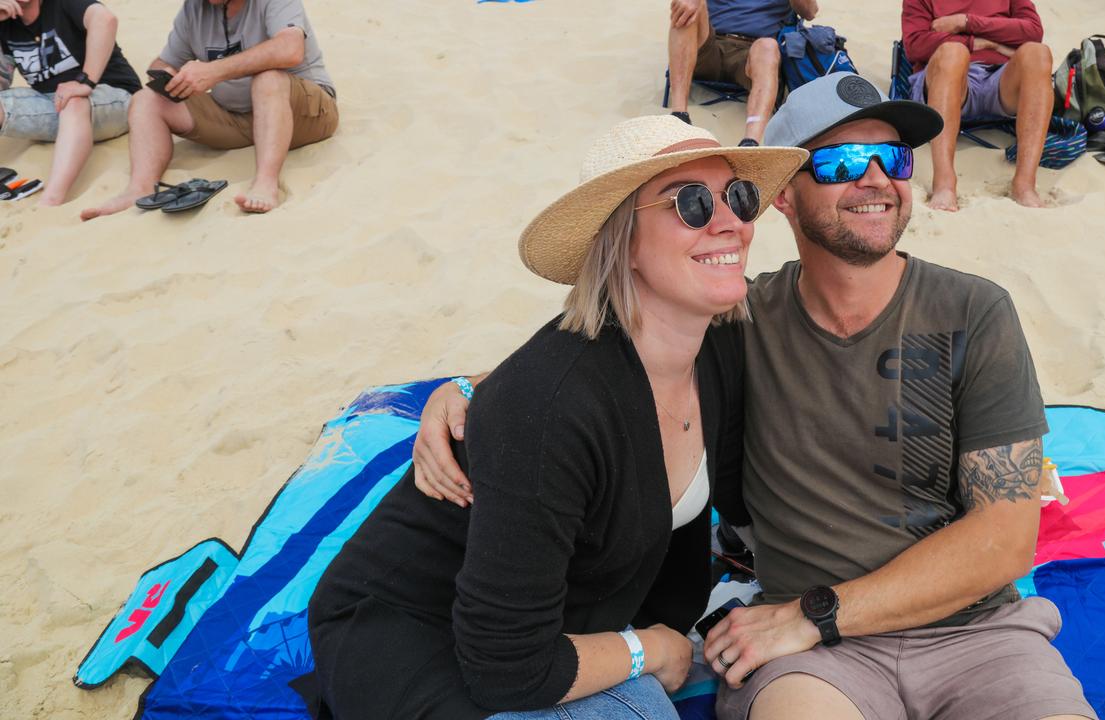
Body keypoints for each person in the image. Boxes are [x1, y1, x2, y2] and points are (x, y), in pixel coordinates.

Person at [414, 74, 1098, 720]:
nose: (874, 180)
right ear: (783, 198)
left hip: (969, 633)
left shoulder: (975, 312)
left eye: (893, 158)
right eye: (839, 163)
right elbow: (601, 345)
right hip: (815, 659)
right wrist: (468, 389)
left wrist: (814, 613)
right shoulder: (737, 319)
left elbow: (1006, 541)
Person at [305, 115, 806, 719]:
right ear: (622, 240)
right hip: (418, 632)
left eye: (741, 197)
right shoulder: (548, 410)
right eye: (691, 202)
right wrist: (650, 649)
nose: (730, 221)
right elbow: (505, 666)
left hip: (558, 617)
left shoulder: (719, 342)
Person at [80, 0, 336, 220]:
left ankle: (266, 183)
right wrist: (169, 74)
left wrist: (215, 70)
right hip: (237, 118)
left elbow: (290, 50)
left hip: (304, 114)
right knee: (147, 98)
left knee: (268, 78)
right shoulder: (195, 7)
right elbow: (163, 62)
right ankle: (140, 187)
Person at [902, 0, 1053, 210]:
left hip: (1001, 79)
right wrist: (978, 43)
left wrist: (965, 22)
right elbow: (916, 45)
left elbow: (1033, 32)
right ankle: (944, 184)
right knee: (953, 52)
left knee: (1038, 53)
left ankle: (1025, 185)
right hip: (946, 78)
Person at [0, 0, 140, 206]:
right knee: (68, 102)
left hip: (113, 97)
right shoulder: (5, 21)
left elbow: (105, 19)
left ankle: (50, 200)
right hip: (53, 105)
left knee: (74, 101)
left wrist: (86, 81)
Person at [667, 0, 817, 147]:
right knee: (690, 4)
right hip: (710, 43)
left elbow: (810, 12)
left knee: (768, 46)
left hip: (754, 54)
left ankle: (751, 142)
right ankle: (679, 118)